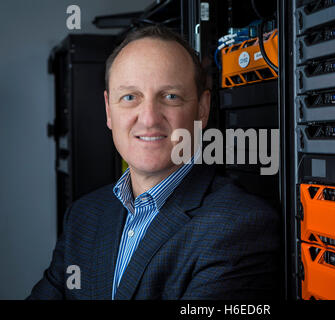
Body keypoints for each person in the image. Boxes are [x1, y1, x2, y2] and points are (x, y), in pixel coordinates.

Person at [28, 25, 280, 300]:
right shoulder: (83, 216)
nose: (148, 118)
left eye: (170, 96)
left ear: (202, 110)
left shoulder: (238, 226)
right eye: (130, 97)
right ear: (108, 110)